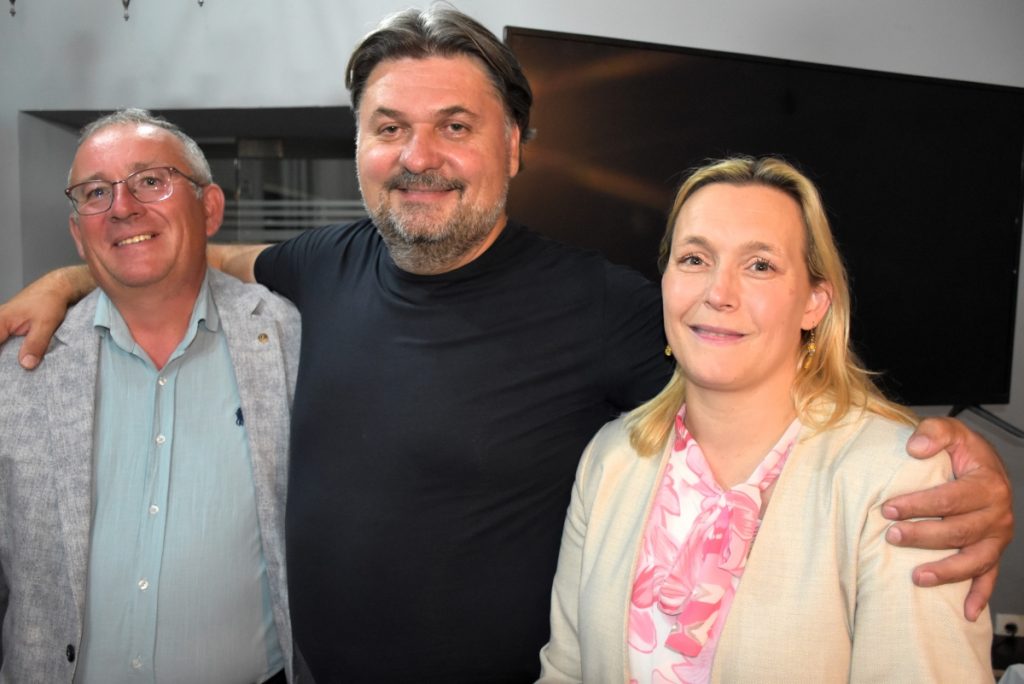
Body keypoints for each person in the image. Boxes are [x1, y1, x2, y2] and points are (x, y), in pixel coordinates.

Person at [0, 7, 1012, 683]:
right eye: (388, 128)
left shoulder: (605, 305)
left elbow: (761, 381)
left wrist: (936, 459)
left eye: (456, 126)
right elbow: (192, 258)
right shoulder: (320, 265)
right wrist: (72, 276)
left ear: (515, 146)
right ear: (358, 146)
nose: (418, 158)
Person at [537, 156, 993, 683]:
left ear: (814, 303)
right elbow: (566, 671)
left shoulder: (897, 479)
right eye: (694, 259)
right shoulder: (612, 458)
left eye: (759, 266)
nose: (718, 293)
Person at [0, 109, 300, 683]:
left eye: (151, 181)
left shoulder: (294, 342)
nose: (122, 207)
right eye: (95, 192)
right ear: (78, 233)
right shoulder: (19, 367)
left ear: (209, 208)